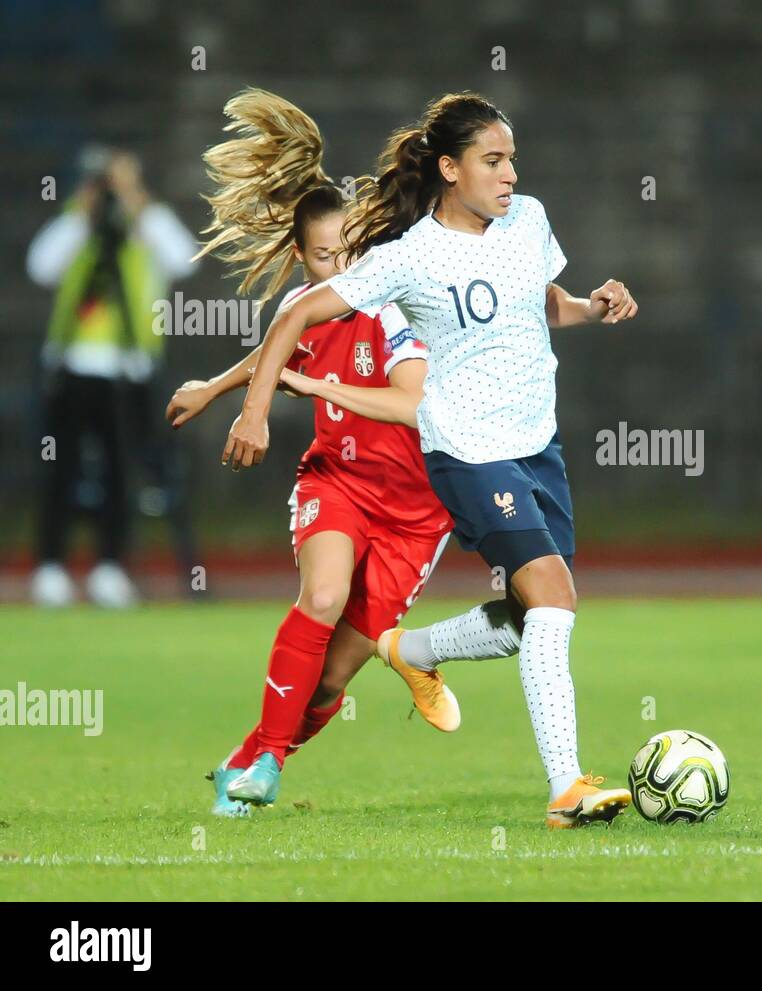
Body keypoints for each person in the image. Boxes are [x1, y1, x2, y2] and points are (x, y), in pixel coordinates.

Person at [221, 91, 641, 829]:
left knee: (524, 617)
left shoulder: (529, 220)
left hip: (537, 448)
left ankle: (406, 647)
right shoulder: (411, 256)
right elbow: (296, 313)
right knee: (555, 600)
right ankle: (566, 786)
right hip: (468, 454)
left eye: (512, 158)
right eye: (494, 160)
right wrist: (252, 407)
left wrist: (592, 307)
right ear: (450, 168)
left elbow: (541, 304)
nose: (511, 174)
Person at [168, 89, 525, 818]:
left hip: (415, 513)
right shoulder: (305, 309)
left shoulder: (393, 305)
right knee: (322, 596)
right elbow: (275, 346)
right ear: (301, 255)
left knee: (331, 681)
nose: (338, 269)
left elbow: (413, 402)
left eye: (349, 252)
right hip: (338, 482)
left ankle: (251, 755)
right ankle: (265, 763)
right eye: (324, 255)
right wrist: (217, 390)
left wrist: (308, 382)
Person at [28, 146, 199, 607]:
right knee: (60, 470)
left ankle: (110, 566)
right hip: (74, 364)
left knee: (122, 471)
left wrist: (135, 201)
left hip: (130, 368)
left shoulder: (146, 223)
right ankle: (51, 566)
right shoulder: (76, 221)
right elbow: (41, 266)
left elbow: (186, 259)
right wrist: (84, 212)